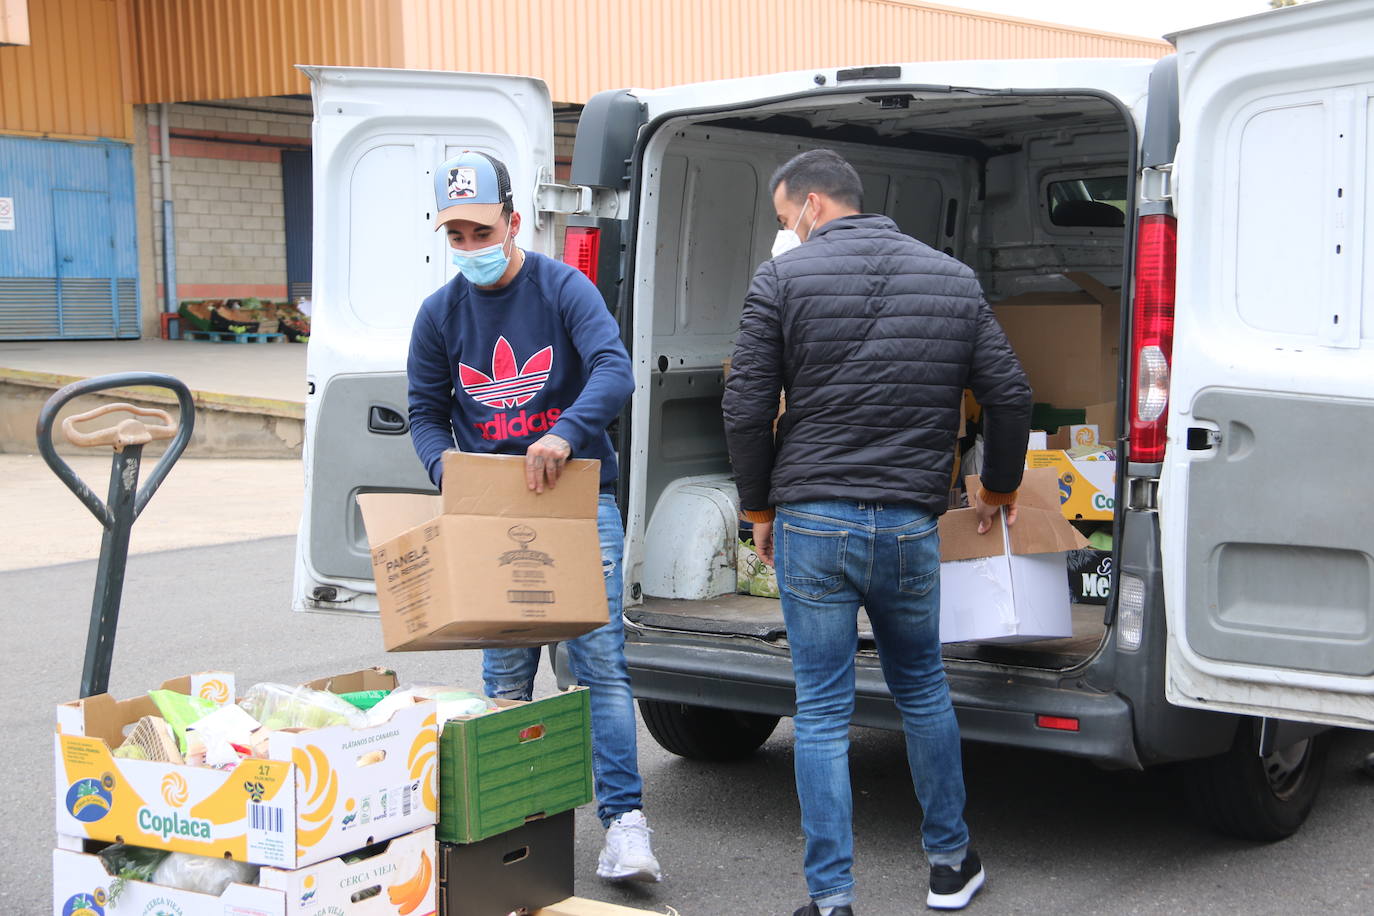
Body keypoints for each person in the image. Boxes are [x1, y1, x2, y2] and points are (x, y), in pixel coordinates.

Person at [722, 149, 1031, 914]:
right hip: (906, 525)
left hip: (813, 520)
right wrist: (996, 490)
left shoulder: (781, 281)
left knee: (822, 710)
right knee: (923, 689)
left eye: (784, 217)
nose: (783, 233)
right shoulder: (952, 280)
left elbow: (744, 407)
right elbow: (1011, 395)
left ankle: (831, 901)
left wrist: (759, 511)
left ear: (814, 207)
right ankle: (951, 866)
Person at [406, 150, 661, 884]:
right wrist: (446, 472)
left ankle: (625, 827)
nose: (470, 249)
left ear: (514, 222)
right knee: (505, 672)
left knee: (599, 665)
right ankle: (510, 832)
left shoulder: (563, 288)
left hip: (579, 501)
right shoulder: (439, 315)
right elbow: (426, 415)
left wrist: (565, 431)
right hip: (494, 509)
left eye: (481, 232)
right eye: (456, 236)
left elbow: (614, 369)